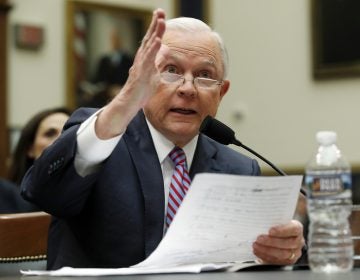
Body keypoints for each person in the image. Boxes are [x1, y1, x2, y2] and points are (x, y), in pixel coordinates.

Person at [21, 9, 305, 270]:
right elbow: (43, 193)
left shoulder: (240, 169)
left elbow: (247, 263)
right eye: (171, 70)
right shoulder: (100, 139)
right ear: (142, 77)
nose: (188, 88)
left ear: (222, 93)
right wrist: (120, 107)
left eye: (205, 76)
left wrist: (278, 252)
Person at [8, 107, 71, 186]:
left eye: (68, 133)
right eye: (50, 134)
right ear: (30, 148)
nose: (61, 139)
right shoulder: (9, 196)